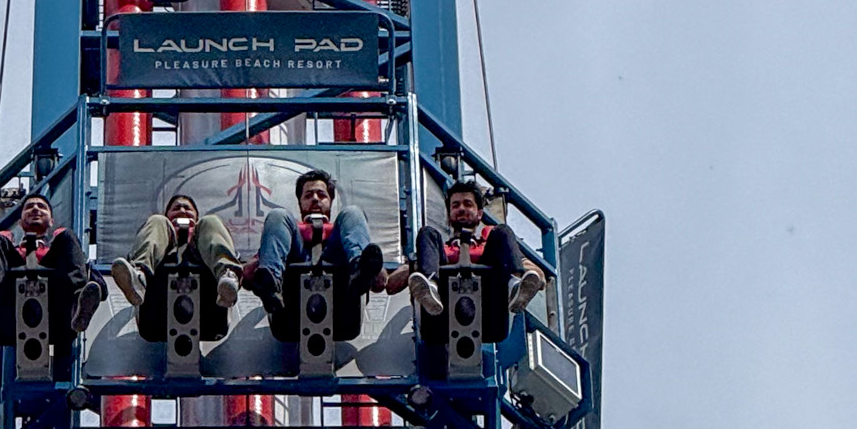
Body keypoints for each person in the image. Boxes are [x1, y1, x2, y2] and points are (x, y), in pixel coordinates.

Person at [249, 168, 386, 340]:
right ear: (300, 204)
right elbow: (248, 275)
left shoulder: (346, 231)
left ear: (330, 201)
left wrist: (375, 272)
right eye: (308, 195)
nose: (315, 198)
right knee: (278, 215)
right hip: (289, 308)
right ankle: (271, 286)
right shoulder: (286, 231)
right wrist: (257, 266)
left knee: (352, 212)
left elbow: (381, 283)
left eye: (321, 195)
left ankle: (358, 271)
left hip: (342, 305)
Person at [400, 179, 549, 337]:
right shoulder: (436, 251)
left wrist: (528, 271)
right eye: (455, 205)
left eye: (468, 204)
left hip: (488, 311)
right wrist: (413, 267)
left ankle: (515, 287)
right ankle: (430, 289)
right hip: (442, 314)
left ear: (480, 213)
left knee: (502, 231)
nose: (461, 208)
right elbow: (390, 285)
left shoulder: (491, 244)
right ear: (449, 214)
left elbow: (540, 278)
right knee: (427, 232)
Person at [0, 191, 101, 345]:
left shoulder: (60, 250)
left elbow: (98, 286)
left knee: (67, 235)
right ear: (20, 222)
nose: (35, 209)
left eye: (41, 207)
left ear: (51, 221)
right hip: (9, 317)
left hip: (59, 316)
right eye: (29, 207)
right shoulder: (5, 251)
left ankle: (78, 306)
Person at [111, 190, 243, 338]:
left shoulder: (203, 230)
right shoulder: (162, 227)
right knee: (156, 221)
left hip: (211, 305)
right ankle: (139, 278)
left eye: (187, 208)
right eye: (176, 208)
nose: (182, 211)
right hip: (157, 307)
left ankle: (227, 278)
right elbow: (160, 226)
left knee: (211, 221)